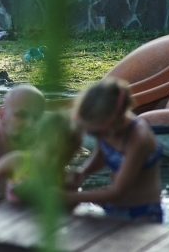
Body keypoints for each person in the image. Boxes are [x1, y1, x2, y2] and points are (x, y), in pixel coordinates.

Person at [66, 79, 163, 223]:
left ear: (116, 120)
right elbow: (102, 155)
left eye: (97, 132)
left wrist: (70, 197)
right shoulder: (106, 130)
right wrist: (82, 172)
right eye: (93, 133)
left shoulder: (138, 138)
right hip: (113, 208)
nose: (98, 136)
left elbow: (118, 192)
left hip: (142, 212)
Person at [0, 112, 82, 205]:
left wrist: (71, 189)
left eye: (65, 157)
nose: (55, 161)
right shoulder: (18, 161)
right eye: (51, 152)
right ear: (39, 142)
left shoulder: (64, 176)